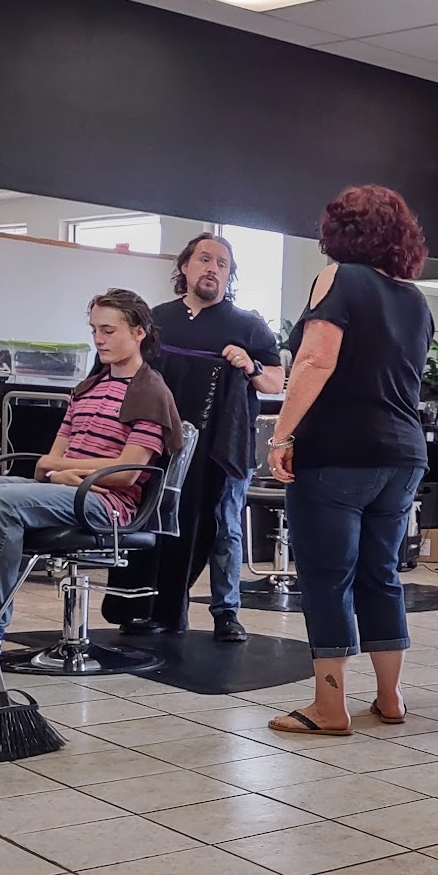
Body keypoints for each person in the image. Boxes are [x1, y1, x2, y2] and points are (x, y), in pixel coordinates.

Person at [265, 185, 433, 736]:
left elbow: (315, 359)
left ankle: (329, 708)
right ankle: (390, 699)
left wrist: (281, 436)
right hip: (403, 454)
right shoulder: (415, 299)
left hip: (338, 453)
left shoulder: (339, 277)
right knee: (380, 574)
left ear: (340, 230)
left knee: (327, 577)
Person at [0, 290, 182, 652]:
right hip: (70, 489)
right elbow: (48, 463)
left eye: (108, 330)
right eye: (94, 330)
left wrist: (61, 472)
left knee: (3, 502)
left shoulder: (151, 394)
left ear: (139, 332)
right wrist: (59, 474)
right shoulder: (87, 388)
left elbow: (125, 474)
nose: (98, 339)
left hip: (109, 503)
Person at [149, 232, 283, 642]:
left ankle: (226, 613)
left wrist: (250, 366)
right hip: (164, 443)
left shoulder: (247, 325)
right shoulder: (158, 319)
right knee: (164, 523)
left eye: (222, 264)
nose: (213, 269)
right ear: (185, 266)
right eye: (205, 259)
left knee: (225, 525)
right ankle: (161, 608)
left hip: (226, 445)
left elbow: (276, 381)